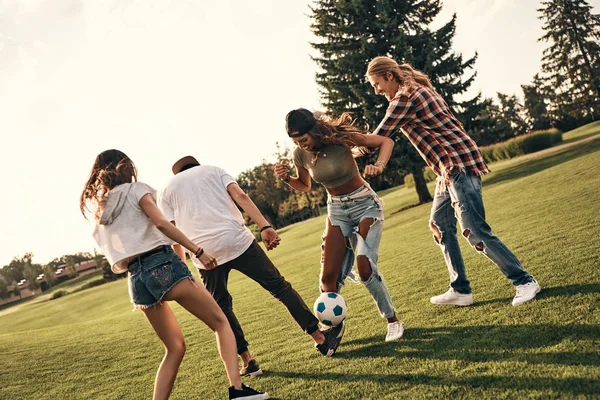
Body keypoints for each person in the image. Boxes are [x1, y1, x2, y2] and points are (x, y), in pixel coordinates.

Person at [80, 150, 268, 400]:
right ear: (125, 167)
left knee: (174, 348)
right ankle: (237, 390)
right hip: (162, 264)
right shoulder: (136, 189)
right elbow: (162, 223)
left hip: (136, 279)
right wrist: (197, 250)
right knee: (221, 323)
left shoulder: (101, 211)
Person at [365, 56, 541, 307]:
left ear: (389, 76)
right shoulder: (417, 88)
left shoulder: (404, 97)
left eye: (376, 84)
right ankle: (460, 290)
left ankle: (524, 281)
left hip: (457, 165)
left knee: (475, 230)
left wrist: (345, 147)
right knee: (440, 225)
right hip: (448, 170)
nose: (376, 90)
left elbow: (378, 137)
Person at [158, 156, 345, 374]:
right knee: (279, 287)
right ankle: (321, 338)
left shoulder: (166, 190)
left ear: (177, 173)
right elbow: (241, 196)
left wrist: (183, 266)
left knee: (222, 309)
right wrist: (264, 226)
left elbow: (172, 232)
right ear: (196, 165)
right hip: (237, 240)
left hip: (204, 254)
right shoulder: (214, 169)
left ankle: (248, 361)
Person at [274, 109, 405, 342]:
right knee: (327, 280)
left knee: (365, 268)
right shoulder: (300, 154)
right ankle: (334, 328)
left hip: (365, 205)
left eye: (303, 139)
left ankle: (393, 320)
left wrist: (380, 165)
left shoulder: (340, 137)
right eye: (295, 141)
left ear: (314, 131)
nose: (301, 145)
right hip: (336, 210)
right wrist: (286, 179)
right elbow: (304, 185)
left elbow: (386, 141)